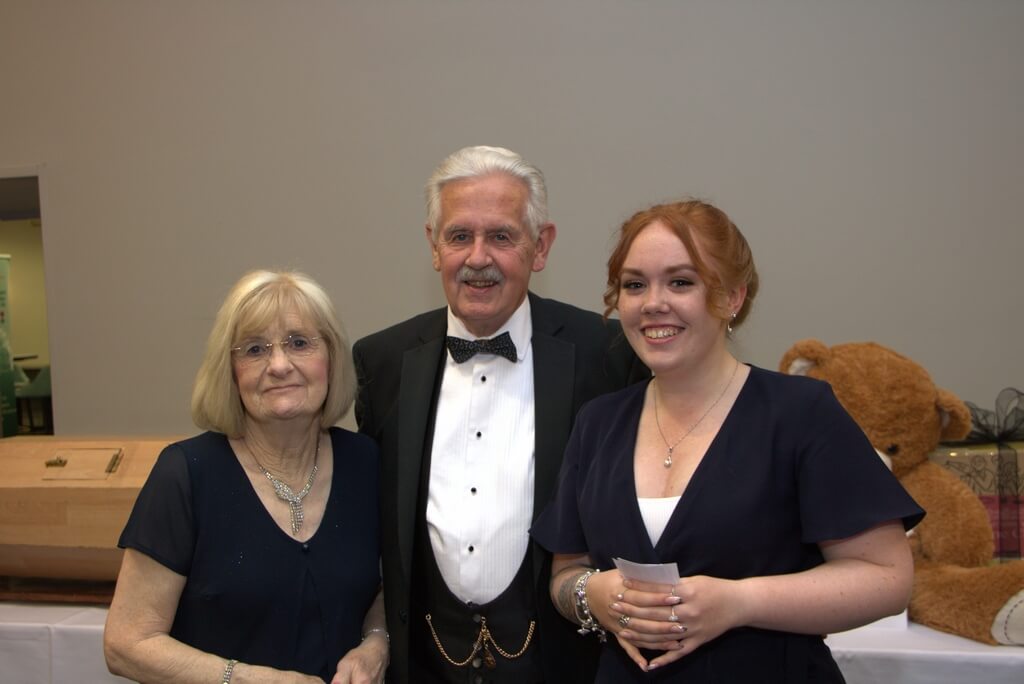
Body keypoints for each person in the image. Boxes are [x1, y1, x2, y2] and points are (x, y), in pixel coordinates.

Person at [532, 200, 923, 682]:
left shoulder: (800, 413)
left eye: (681, 282)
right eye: (634, 285)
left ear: (732, 297)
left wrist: (740, 602)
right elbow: (565, 572)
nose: (653, 302)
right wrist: (592, 596)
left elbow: (887, 579)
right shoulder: (599, 422)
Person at [353, 145, 648, 684]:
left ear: (541, 246)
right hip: (425, 668)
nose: (478, 257)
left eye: (502, 236)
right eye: (459, 236)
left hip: (565, 667)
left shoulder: (607, 354)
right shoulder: (382, 361)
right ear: (433, 246)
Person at [104, 270, 388, 684]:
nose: (279, 365)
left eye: (299, 343)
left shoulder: (366, 462)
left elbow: (383, 588)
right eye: (255, 349)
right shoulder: (186, 474)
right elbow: (126, 643)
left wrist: (376, 643)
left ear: (331, 357)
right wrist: (249, 680)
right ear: (231, 371)